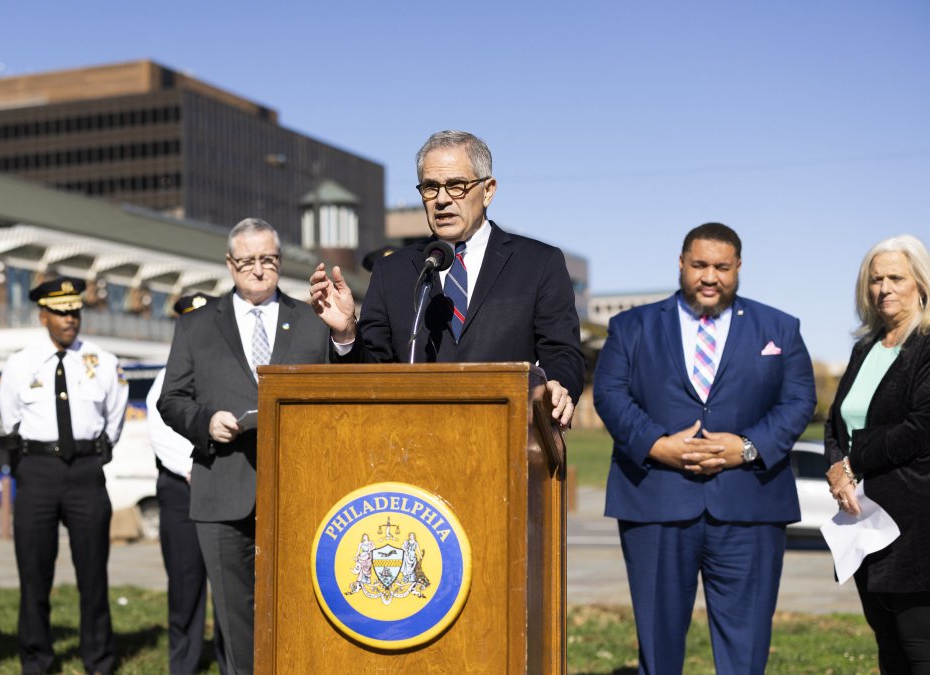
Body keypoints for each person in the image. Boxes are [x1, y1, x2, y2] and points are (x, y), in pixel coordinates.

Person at [593, 223, 817, 674]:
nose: (710, 277)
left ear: (738, 268)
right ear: (681, 264)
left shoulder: (780, 328)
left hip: (749, 508)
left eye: (722, 267)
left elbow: (799, 401)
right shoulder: (630, 327)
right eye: (699, 265)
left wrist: (748, 447)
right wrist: (657, 445)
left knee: (747, 647)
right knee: (657, 648)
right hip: (655, 504)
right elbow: (610, 395)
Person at [309, 130, 583, 423]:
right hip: (412, 445)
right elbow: (373, 373)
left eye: (456, 186)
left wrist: (558, 385)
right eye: (430, 187)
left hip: (507, 438)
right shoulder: (392, 272)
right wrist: (347, 334)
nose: (441, 199)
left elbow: (562, 353)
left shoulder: (538, 263)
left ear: (488, 190)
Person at [158, 218, 330, 675]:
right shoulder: (195, 326)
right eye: (249, 261)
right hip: (222, 488)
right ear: (230, 265)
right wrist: (204, 422)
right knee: (235, 619)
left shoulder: (313, 324)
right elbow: (171, 399)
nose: (259, 270)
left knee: (299, 609)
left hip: (299, 492)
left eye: (268, 259)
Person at [0, 277, 129, 675]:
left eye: (75, 311)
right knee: (34, 574)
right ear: (43, 316)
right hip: (37, 471)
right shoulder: (20, 363)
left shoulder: (103, 361)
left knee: (93, 573)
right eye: (61, 311)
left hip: (86, 473)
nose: (70, 318)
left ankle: (99, 660)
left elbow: (115, 418)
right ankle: (37, 660)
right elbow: (10, 420)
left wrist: (94, 454)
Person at [824, 234, 930, 672]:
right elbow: (836, 423)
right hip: (865, 523)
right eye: (875, 279)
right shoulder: (864, 348)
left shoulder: (926, 345)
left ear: (920, 284)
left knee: (919, 647)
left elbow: (922, 426)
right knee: (888, 649)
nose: (884, 288)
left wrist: (853, 463)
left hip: (916, 523)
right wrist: (836, 468)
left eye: (896, 277)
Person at [146, 292, 226, 675]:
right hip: (183, 485)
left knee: (230, 586)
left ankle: (234, 661)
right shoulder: (167, 375)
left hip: (226, 484)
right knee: (185, 583)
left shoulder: (228, 368)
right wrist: (192, 470)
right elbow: (162, 432)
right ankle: (185, 664)